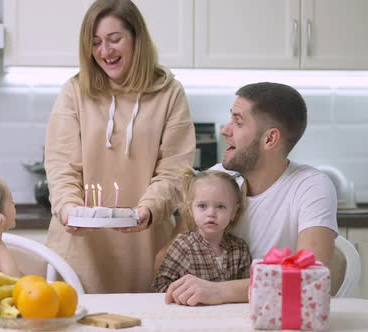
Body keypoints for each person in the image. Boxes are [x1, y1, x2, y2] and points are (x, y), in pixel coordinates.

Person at [44, 0, 195, 293]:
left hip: (147, 244)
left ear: (137, 39)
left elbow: (176, 170)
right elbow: (61, 165)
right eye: (96, 42)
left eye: (115, 40)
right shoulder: (75, 90)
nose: (104, 51)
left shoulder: (169, 92)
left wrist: (149, 209)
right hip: (79, 246)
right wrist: (68, 209)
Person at [161, 82, 338, 306]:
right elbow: (164, 260)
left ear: (270, 139)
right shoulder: (216, 179)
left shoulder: (310, 186)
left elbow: (312, 278)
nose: (225, 129)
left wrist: (218, 291)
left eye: (238, 121)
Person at [152, 168, 251, 292]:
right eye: (202, 206)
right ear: (190, 210)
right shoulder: (182, 246)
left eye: (220, 206)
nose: (211, 213)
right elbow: (161, 285)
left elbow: (249, 289)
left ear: (234, 212)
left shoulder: (240, 249)